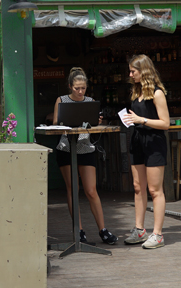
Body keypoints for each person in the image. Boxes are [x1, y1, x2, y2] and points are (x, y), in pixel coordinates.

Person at [53, 67, 118, 245]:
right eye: (77, 88)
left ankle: (103, 230)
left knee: (91, 190)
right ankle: (79, 231)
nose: (80, 91)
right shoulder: (62, 100)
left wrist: (96, 121)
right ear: (70, 87)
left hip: (85, 147)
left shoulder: (90, 101)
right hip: (67, 147)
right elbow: (55, 123)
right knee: (73, 189)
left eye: (83, 88)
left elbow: (94, 125)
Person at [122, 54, 170, 249]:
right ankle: (140, 230)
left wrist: (142, 120)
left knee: (154, 190)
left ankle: (157, 234)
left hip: (153, 142)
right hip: (137, 140)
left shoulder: (157, 93)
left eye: (133, 71)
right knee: (137, 187)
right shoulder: (136, 92)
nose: (130, 74)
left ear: (144, 71)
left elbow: (165, 123)